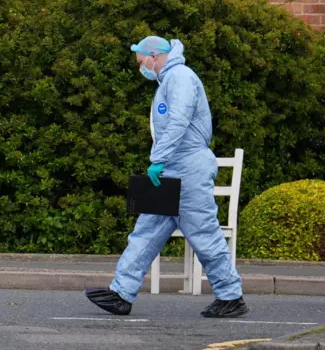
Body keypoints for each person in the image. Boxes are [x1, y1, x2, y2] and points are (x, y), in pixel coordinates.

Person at [84, 36, 248, 318]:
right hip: (173, 168)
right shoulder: (170, 79)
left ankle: (231, 295)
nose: (141, 68)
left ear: (154, 56)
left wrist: (158, 159)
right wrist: (162, 161)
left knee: (203, 234)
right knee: (146, 232)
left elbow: (179, 120)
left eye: (141, 62)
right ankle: (121, 292)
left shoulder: (180, 77)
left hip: (187, 171)